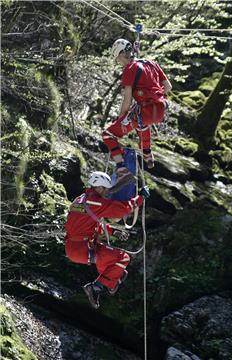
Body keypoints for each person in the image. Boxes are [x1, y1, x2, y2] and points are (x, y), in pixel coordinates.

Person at [64, 170, 150, 309]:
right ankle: (96, 287)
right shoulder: (96, 202)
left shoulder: (80, 199)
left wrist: (112, 231)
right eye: (105, 189)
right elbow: (122, 209)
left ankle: (112, 280)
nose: (106, 193)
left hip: (75, 247)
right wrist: (140, 198)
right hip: (83, 249)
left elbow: (88, 223)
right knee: (123, 258)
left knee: (118, 268)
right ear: (98, 187)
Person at [102, 38, 172, 181]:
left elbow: (127, 98)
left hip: (145, 111)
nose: (119, 63)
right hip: (159, 111)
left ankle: (121, 168)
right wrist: (152, 95)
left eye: (117, 59)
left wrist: (120, 117)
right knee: (141, 122)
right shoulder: (151, 63)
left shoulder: (129, 69)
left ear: (121, 54)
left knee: (108, 134)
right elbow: (168, 87)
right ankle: (147, 153)